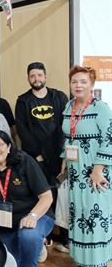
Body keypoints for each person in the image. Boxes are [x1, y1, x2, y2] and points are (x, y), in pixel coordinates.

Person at [0, 130, 54, 267]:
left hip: (36, 216)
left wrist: (32, 216)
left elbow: (46, 197)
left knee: (28, 236)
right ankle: (37, 246)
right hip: (6, 223)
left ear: (9, 146)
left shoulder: (24, 161)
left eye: (0, 144)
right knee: (7, 261)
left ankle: (36, 244)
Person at [60, 66, 112, 267]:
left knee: (95, 215)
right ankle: (82, 260)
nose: (78, 85)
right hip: (75, 173)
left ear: (92, 84)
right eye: (74, 82)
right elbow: (69, 137)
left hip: (95, 173)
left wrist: (98, 170)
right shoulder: (69, 106)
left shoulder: (101, 108)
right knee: (79, 214)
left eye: (83, 81)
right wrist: (65, 158)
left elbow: (109, 139)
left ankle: (99, 261)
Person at [15, 62, 69, 252]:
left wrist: (60, 154)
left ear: (45, 76)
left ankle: (65, 238)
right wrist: (37, 154)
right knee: (41, 195)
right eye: (32, 76)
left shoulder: (59, 97)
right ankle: (43, 238)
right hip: (35, 158)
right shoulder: (23, 101)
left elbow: (65, 126)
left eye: (39, 75)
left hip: (58, 156)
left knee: (62, 196)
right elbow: (22, 130)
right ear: (28, 78)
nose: (36, 79)